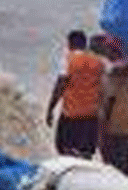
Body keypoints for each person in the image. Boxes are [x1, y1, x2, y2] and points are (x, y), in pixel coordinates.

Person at [45, 30, 105, 158]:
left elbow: (60, 86)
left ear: (70, 44)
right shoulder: (99, 62)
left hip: (71, 115)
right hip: (91, 115)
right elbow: (104, 88)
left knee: (65, 151)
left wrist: (50, 109)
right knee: (86, 153)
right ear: (85, 44)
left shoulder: (69, 60)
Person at [98, 36, 128, 173]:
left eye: (107, 49)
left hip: (113, 123)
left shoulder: (112, 72)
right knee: (124, 157)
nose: (105, 52)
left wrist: (102, 123)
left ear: (112, 50)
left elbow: (109, 99)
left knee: (111, 160)